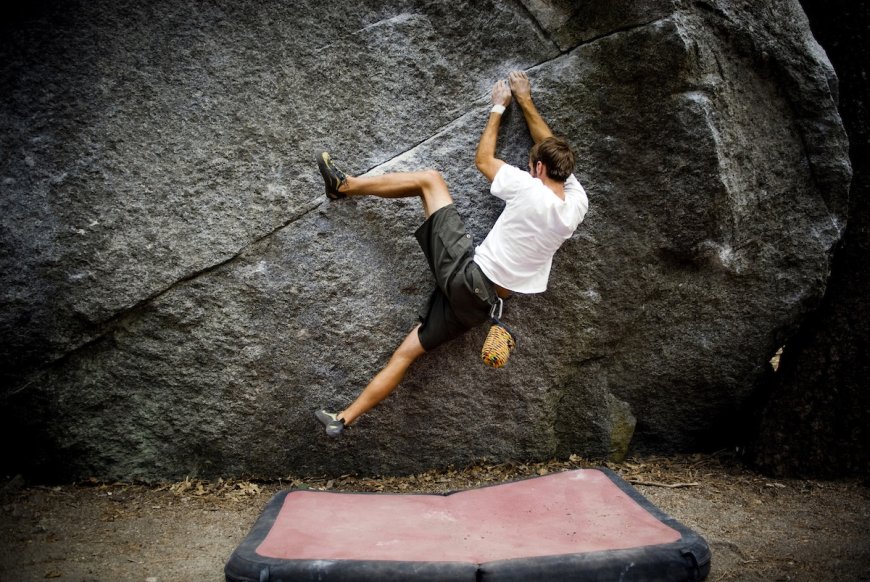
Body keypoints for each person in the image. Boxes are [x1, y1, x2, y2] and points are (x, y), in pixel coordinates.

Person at [314, 71, 588, 437]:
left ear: (537, 169)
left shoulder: (527, 187)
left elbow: (484, 159)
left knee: (430, 180)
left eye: (531, 165)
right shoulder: (576, 206)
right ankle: (343, 418)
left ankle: (343, 186)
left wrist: (500, 106)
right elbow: (553, 152)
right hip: (477, 309)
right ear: (563, 173)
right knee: (407, 353)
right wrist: (527, 101)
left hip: (465, 276)